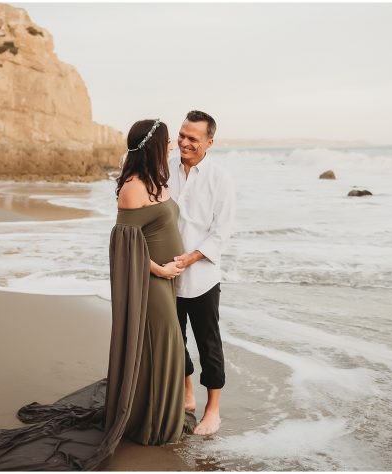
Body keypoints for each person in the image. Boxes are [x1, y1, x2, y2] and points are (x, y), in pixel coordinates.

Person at [0, 119, 194, 470]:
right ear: (153, 145)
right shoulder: (132, 188)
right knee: (164, 341)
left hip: (168, 279)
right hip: (149, 281)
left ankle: (156, 413)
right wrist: (159, 270)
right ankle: (149, 423)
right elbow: (124, 243)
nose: (172, 145)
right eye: (167, 141)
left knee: (163, 344)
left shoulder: (158, 182)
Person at [168, 110, 235, 436]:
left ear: (209, 142)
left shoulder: (220, 179)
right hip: (166, 274)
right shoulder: (165, 168)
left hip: (202, 277)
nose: (184, 142)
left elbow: (221, 233)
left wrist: (190, 258)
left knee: (209, 344)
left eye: (193, 138)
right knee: (174, 339)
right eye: (182, 135)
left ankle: (213, 410)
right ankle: (187, 391)